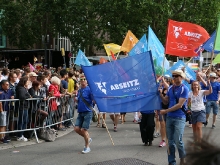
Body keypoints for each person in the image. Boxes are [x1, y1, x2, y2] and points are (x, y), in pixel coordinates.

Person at [159, 69, 189, 165]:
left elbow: (179, 105)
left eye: (177, 76)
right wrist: (160, 94)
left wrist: (166, 111)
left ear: (181, 77)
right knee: (170, 142)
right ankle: (172, 162)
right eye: (174, 76)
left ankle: (183, 158)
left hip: (179, 117)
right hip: (170, 117)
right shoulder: (171, 88)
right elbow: (166, 101)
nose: (175, 78)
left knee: (178, 141)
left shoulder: (185, 89)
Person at [74, 75, 93, 154]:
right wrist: (76, 99)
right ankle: (88, 138)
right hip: (80, 112)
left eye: (84, 79)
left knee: (84, 130)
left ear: (86, 81)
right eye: (81, 79)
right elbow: (78, 100)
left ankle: (87, 147)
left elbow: (93, 100)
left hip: (88, 112)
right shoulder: (79, 90)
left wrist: (96, 100)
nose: (82, 81)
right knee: (76, 129)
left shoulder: (89, 89)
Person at [15, 76, 31, 142]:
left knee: (25, 121)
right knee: (22, 121)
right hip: (22, 107)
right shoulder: (21, 88)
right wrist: (28, 96)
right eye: (27, 81)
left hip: (24, 107)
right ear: (24, 82)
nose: (28, 82)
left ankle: (21, 134)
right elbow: (22, 96)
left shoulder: (23, 88)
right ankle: (19, 135)